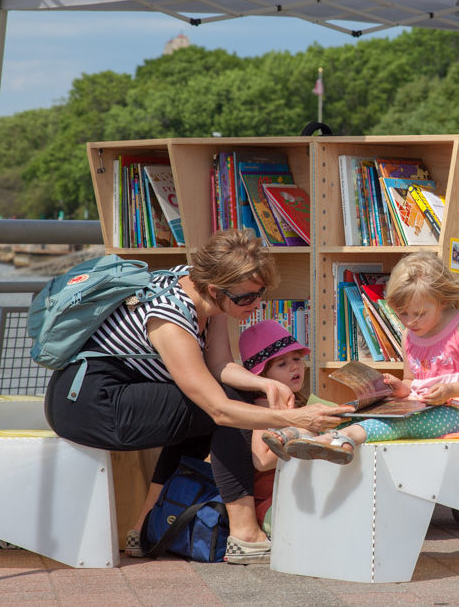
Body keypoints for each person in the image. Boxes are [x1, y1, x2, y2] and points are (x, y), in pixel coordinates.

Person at [44, 229, 351, 564]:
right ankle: (245, 533)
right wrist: (295, 418)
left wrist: (264, 385)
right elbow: (219, 409)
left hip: (116, 394)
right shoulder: (169, 316)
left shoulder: (206, 296)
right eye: (246, 298)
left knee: (206, 405)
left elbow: (218, 366)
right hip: (88, 403)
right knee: (217, 410)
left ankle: (146, 525)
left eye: (261, 293)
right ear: (215, 289)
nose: (256, 304)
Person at [262, 252, 459, 464]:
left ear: (441, 299)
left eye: (419, 314)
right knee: (351, 410)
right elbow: (411, 381)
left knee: (400, 425)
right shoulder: (410, 334)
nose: (410, 322)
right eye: (402, 314)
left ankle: (344, 441)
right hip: (420, 407)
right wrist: (399, 389)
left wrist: (450, 390)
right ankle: (300, 434)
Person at [237, 320, 312, 536]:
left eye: (297, 359)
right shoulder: (265, 406)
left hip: (295, 494)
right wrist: (306, 440)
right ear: (262, 377)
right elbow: (261, 461)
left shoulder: (299, 402)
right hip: (272, 502)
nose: (295, 367)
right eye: (282, 364)